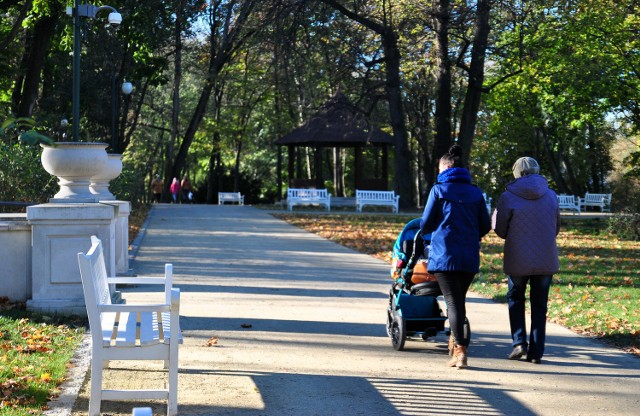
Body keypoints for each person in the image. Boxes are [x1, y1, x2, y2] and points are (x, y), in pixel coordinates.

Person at [420, 144, 491, 369]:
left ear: (445, 167)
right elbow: (485, 225)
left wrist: (432, 233)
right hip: (468, 256)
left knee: (453, 301)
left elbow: (426, 223)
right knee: (458, 301)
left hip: (444, 254)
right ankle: (455, 342)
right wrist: (470, 235)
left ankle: (460, 349)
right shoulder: (475, 192)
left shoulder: (439, 190)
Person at [493, 157, 560, 364]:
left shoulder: (508, 196)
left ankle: (519, 342)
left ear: (516, 173)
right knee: (540, 304)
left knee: (515, 298)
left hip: (518, 258)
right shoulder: (551, 195)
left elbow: (501, 230)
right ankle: (536, 352)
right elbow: (556, 226)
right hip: (545, 256)